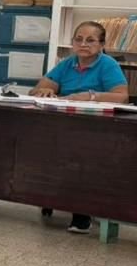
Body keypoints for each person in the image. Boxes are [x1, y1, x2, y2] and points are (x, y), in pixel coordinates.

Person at [30, 20, 129, 234]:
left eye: (90, 40)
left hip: (96, 126)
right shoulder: (68, 63)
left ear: (101, 44)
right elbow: (41, 87)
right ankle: (51, 197)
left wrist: (92, 96)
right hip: (65, 121)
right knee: (45, 147)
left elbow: (122, 96)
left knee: (79, 157)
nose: (83, 44)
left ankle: (81, 213)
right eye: (79, 39)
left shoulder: (108, 64)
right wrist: (46, 90)